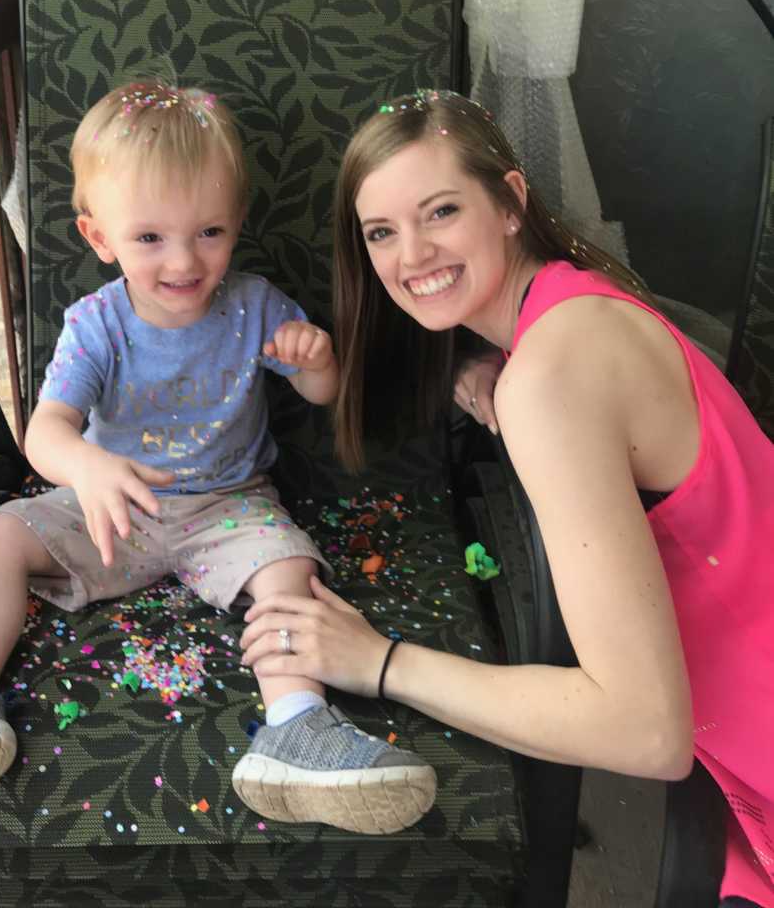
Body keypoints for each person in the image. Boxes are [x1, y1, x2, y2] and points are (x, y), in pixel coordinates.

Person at [239, 89, 774, 906]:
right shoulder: (570, 311)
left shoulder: (549, 377)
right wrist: (477, 370)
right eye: (381, 232)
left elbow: (644, 729)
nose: (412, 254)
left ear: (512, 203)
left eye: (441, 211)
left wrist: (380, 661)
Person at [0, 79, 435, 835]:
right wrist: (88, 466)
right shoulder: (97, 325)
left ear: (237, 223)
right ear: (100, 238)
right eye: (149, 239)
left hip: (230, 504)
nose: (183, 261)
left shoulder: (257, 305)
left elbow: (324, 391)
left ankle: (297, 727)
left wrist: (314, 357)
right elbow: (45, 432)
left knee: (289, 573)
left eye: (208, 232)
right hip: (110, 509)